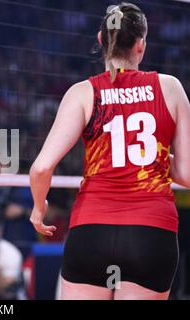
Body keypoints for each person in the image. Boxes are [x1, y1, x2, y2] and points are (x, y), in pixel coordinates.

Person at [29, 2, 190, 300]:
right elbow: (188, 173)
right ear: (141, 45)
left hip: (92, 231)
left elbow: (40, 168)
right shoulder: (170, 88)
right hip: (151, 233)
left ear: (101, 39)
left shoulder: (82, 92)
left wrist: (39, 209)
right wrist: (148, 157)